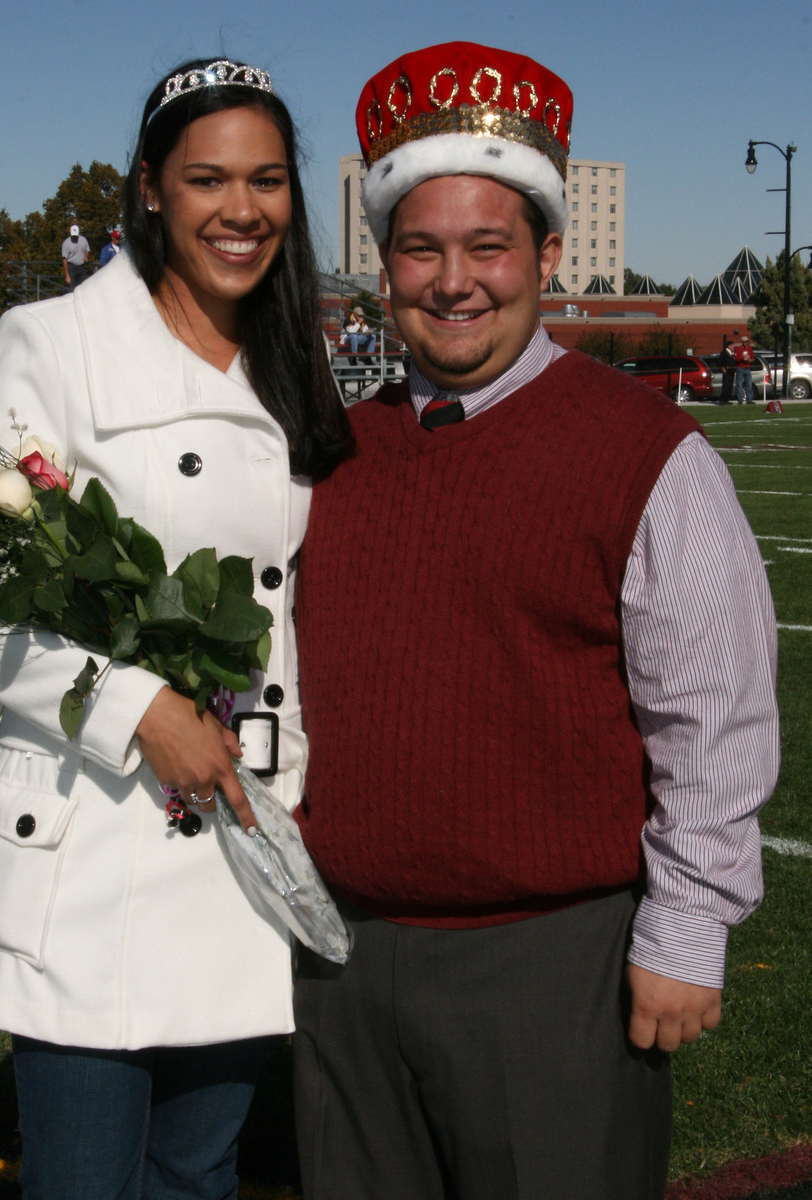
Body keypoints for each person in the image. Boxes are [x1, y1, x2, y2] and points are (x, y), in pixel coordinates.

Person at [291, 40, 778, 1200]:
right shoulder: (330, 450)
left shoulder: (644, 451)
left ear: (547, 255)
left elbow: (710, 715)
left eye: (487, 247)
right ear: (384, 263)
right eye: (421, 248)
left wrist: (686, 931)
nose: (454, 280)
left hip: (553, 966)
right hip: (338, 965)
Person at [0, 55, 352, 1200]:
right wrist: (138, 709)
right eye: (208, 179)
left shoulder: (293, 357)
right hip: (98, 831)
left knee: (196, 1175)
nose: (241, 210)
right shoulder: (52, 340)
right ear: (149, 189)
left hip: (241, 837)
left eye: (267, 181)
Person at [61, 223, 91, 289]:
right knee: (71, 290)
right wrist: (67, 275)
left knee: (82, 288)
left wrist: (86, 256)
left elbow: (87, 250)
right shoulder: (66, 243)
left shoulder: (83, 240)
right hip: (72, 267)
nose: (74, 237)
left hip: (82, 267)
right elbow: (64, 259)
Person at [735, 332, 756, 403]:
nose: (745, 343)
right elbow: (736, 358)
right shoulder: (738, 349)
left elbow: (753, 358)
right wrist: (742, 358)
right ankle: (740, 399)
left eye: (746, 342)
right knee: (739, 385)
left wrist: (750, 360)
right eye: (744, 342)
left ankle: (749, 399)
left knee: (749, 384)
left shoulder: (749, 349)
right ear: (742, 342)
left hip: (747, 367)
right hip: (740, 368)